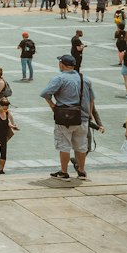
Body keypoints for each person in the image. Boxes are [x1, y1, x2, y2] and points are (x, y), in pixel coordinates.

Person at [41, 53, 103, 181]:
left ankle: (64, 172)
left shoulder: (59, 78)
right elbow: (91, 99)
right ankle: (81, 171)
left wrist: (52, 105)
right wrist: (89, 113)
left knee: (64, 145)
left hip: (65, 118)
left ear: (62, 64)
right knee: (81, 146)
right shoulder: (85, 79)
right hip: (82, 118)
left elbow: (45, 93)